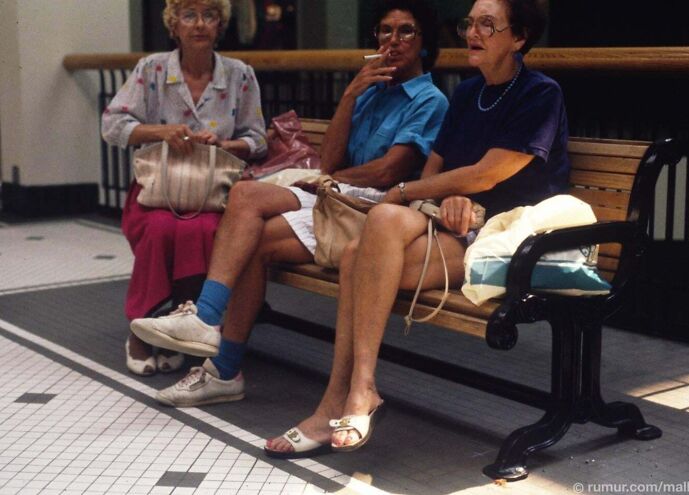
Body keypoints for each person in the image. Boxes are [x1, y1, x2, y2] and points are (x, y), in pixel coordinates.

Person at [264, 0, 571, 457]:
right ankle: (357, 391)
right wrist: (432, 196)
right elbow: (435, 169)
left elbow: (487, 175)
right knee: (364, 244)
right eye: (471, 23)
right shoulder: (468, 93)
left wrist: (411, 191)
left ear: (519, 37)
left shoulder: (539, 94)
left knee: (362, 250)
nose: (474, 32)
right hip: (450, 227)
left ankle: (341, 398)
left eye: (489, 24)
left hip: (507, 238)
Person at [129, 0, 449, 409]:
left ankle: (215, 343)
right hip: (340, 192)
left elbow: (389, 170)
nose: (393, 41)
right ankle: (216, 349)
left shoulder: (430, 100)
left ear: (424, 44)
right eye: (385, 31)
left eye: (406, 31)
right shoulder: (370, 92)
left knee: (246, 205)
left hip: (375, 206)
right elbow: (331, 158)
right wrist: (351, 93)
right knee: (251, 227)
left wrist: (330, 182)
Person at [101, 0, 267, 376]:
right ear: (173, 25)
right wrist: (160, 132)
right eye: (188, 15)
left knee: (205, 229)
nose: (199, 24)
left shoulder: (240, 74)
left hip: (212, 193)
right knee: (160, 228)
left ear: (220, 24)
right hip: (157, 190)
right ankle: (141, 329)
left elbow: (257, 139)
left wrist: (225, 145)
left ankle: (178, 326)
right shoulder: (152, 69)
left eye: (209, 15)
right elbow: (112, 126)